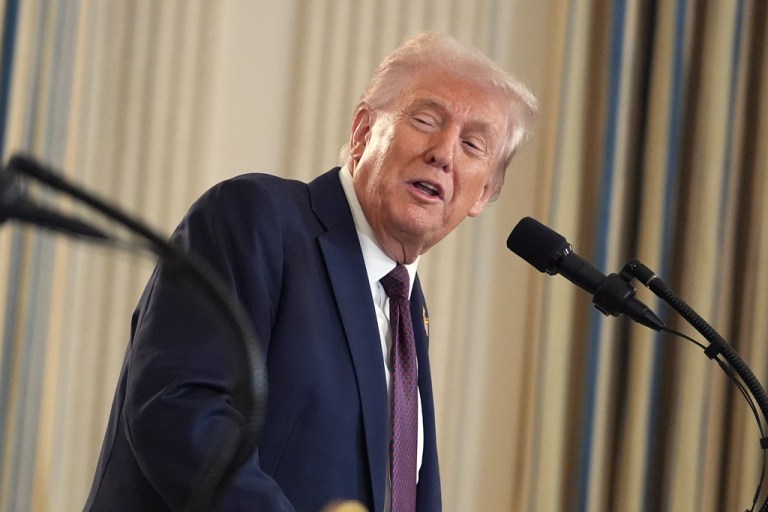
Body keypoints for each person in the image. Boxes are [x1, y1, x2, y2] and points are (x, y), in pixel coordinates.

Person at [84, 32, 538, 512]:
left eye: (472, 145)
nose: (443, 153)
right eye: (426, 120)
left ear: (484, 194)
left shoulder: (405, 303)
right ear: (363, 133)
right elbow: (179, 410)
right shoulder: (258, 218)